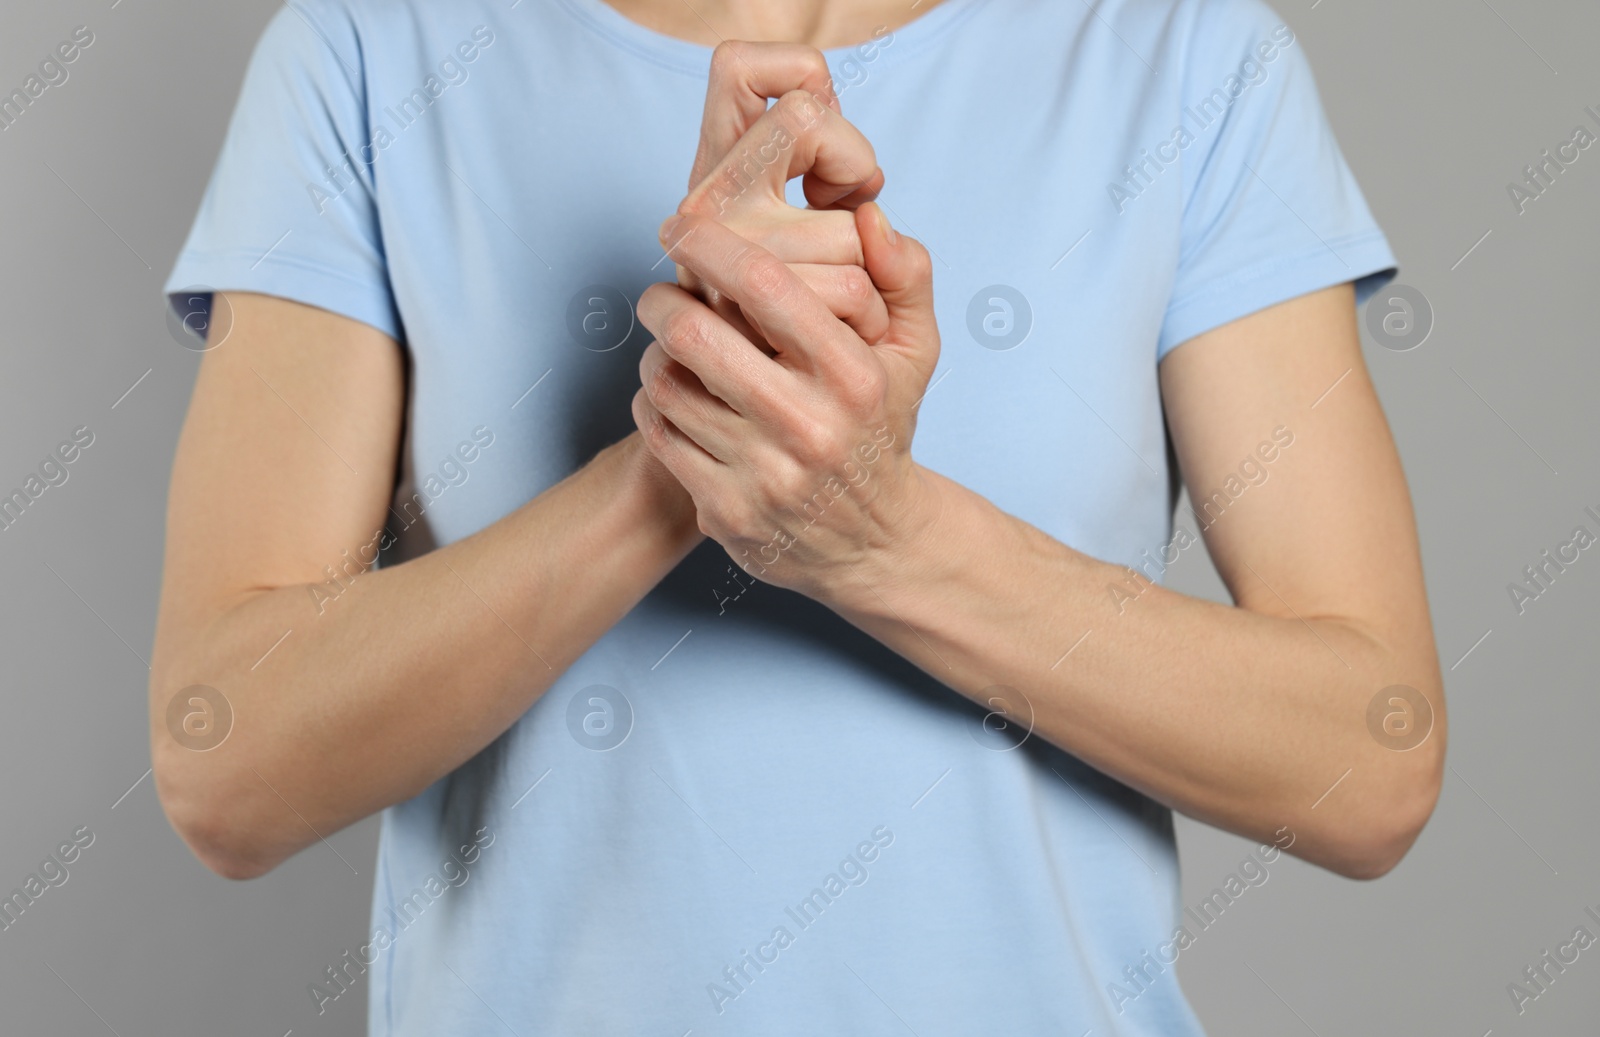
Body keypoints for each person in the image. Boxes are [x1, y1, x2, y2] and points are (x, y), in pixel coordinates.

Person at [149, 0, 1445, 1033]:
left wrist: (878, 532)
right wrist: (697, 441)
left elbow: (1373, 757)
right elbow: (229, 760)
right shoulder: (373, 53)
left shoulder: (1184, 61)